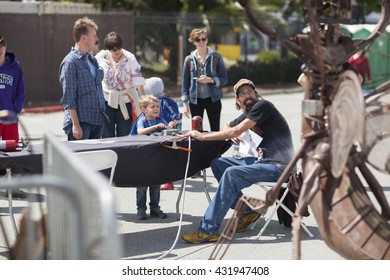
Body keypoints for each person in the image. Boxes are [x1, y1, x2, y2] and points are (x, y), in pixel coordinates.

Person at [181, 79, 295, 244]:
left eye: (250, 91)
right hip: (263, 162)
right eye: (242, 93)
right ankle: (248, 212)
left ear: (256, 95)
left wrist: (202, 136)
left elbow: (236, 129)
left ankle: (208, 229)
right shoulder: (249, 113)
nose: (247, 94)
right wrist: (231, 131)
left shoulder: (263, 106)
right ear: (238, 100)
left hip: (280, 167)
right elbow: (228, 126)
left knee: (231, 173)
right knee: (218, 164)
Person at [59, 17, 106, 141]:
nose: (96, 39)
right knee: (80, 159)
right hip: (81, 123)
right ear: (84, 38)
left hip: (96, 119)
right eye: (94, 35)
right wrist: (75, 124)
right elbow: (69, 97)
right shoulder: (70, 62)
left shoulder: (92, 59)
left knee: (94, 160)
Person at [130, 95, 175, 220]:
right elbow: (140, 132)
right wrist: (156, 127)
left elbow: (167, 129)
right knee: (142, 185)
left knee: (156, 184)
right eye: (152, 107)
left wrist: (170, 125)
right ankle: (141, 209)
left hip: (156, 157)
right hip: (142, 158)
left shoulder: (160, 119)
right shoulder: (142, 120)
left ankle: (155, 208)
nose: (156, 109)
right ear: (143, 109)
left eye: (157, 107)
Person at [95, 31, 145, 138]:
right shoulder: (101, 56)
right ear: (108, 49)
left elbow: (138, 79)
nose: (116, 51)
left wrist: (143, 98)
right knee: (107, 132)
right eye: (113, 49)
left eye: (118, 47)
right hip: (107, 99)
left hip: (125, 99)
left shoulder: (129, 57)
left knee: (125, 132)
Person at [181, 27, 228, 132]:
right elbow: (185, 83)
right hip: (195, 101)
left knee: (215, 130)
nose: (201, 42)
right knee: (197, 131)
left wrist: (210, 80)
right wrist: (185, 104)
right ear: (193, 41)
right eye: (198, 40)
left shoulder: (216, 56)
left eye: (204, 39)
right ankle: (200, 149)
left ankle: (215, 149)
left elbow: (224, 79)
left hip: (213, 99)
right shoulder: (189, 59)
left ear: (207, 39)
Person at [0, 34, 27, 198]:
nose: (0, 49)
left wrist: (15, 109)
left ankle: (14, 187)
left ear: (5, 47)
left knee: (13, 151)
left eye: (2, 45)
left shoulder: (15, 66)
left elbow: (20, 90)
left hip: (9, 117)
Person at [143, 77, 181, 190]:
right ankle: (159, 177)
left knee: (165, 157)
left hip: (165, 135)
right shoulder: (163, 101)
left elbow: (175, 116)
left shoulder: (163, 102)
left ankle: (168, 181)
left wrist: (172, 123)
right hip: (158, 134)